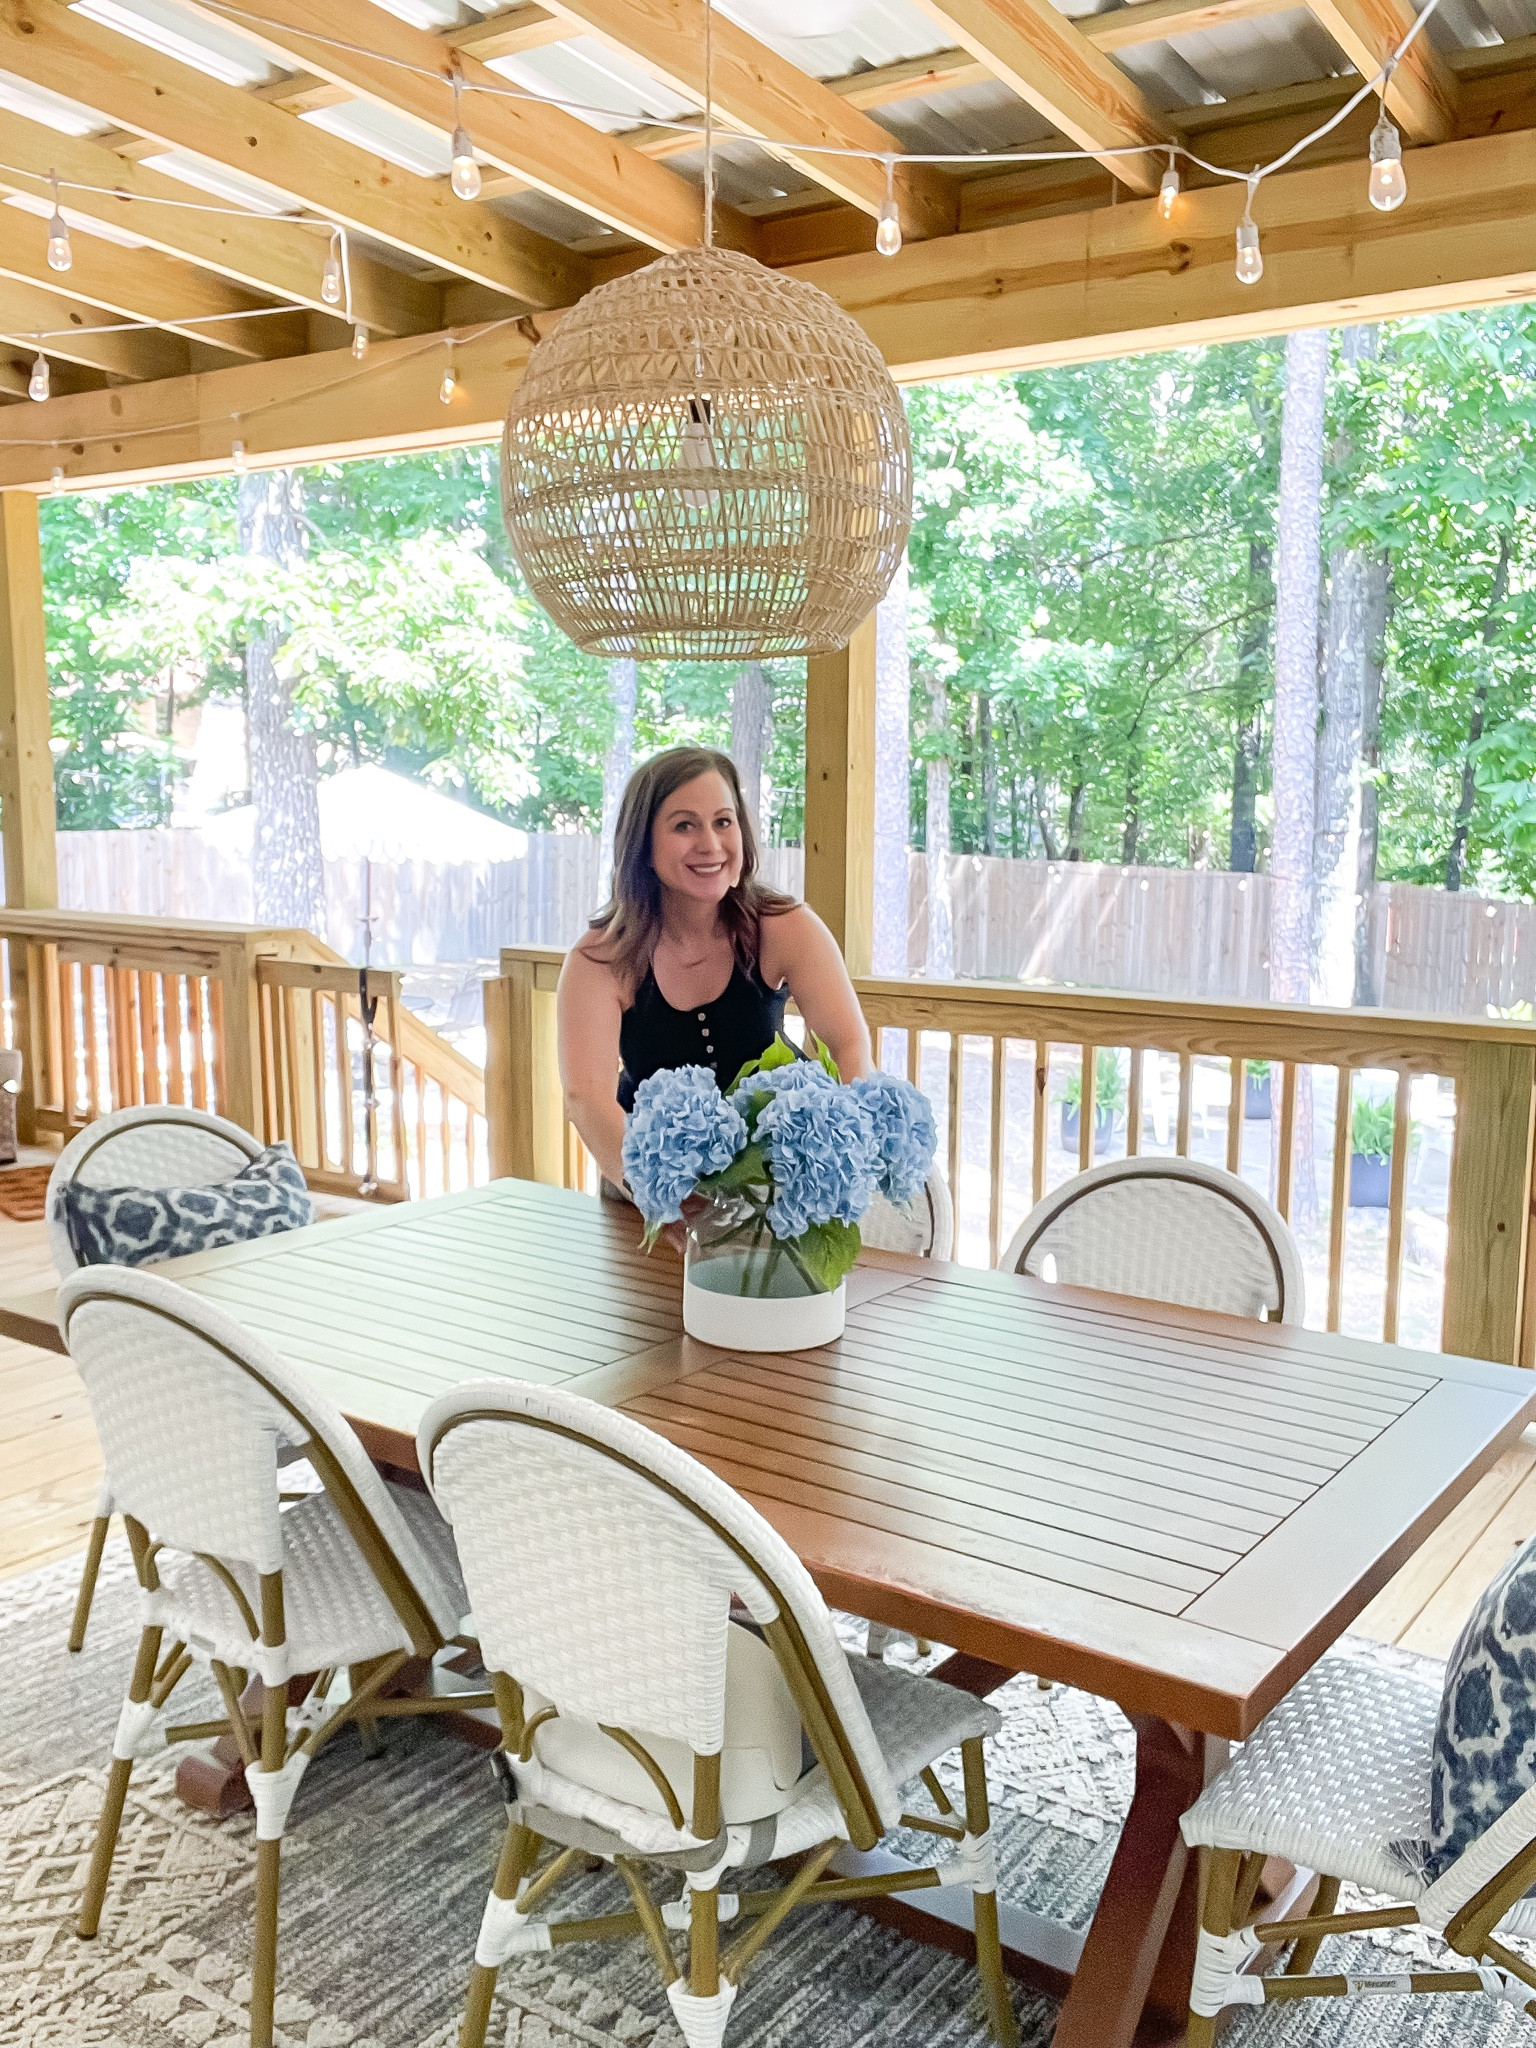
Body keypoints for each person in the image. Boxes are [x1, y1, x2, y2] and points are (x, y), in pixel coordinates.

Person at [558, 745, 871, 1195]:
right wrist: (655, 1194)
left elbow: (848, 1044)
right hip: (645, 1186)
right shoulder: (601, 958)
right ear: (643, 844)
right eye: (684, 825)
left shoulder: (787, 926)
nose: (710, 844)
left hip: (776, 1184)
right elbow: (585, 1096)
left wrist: (842, 1156)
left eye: (723, 822)